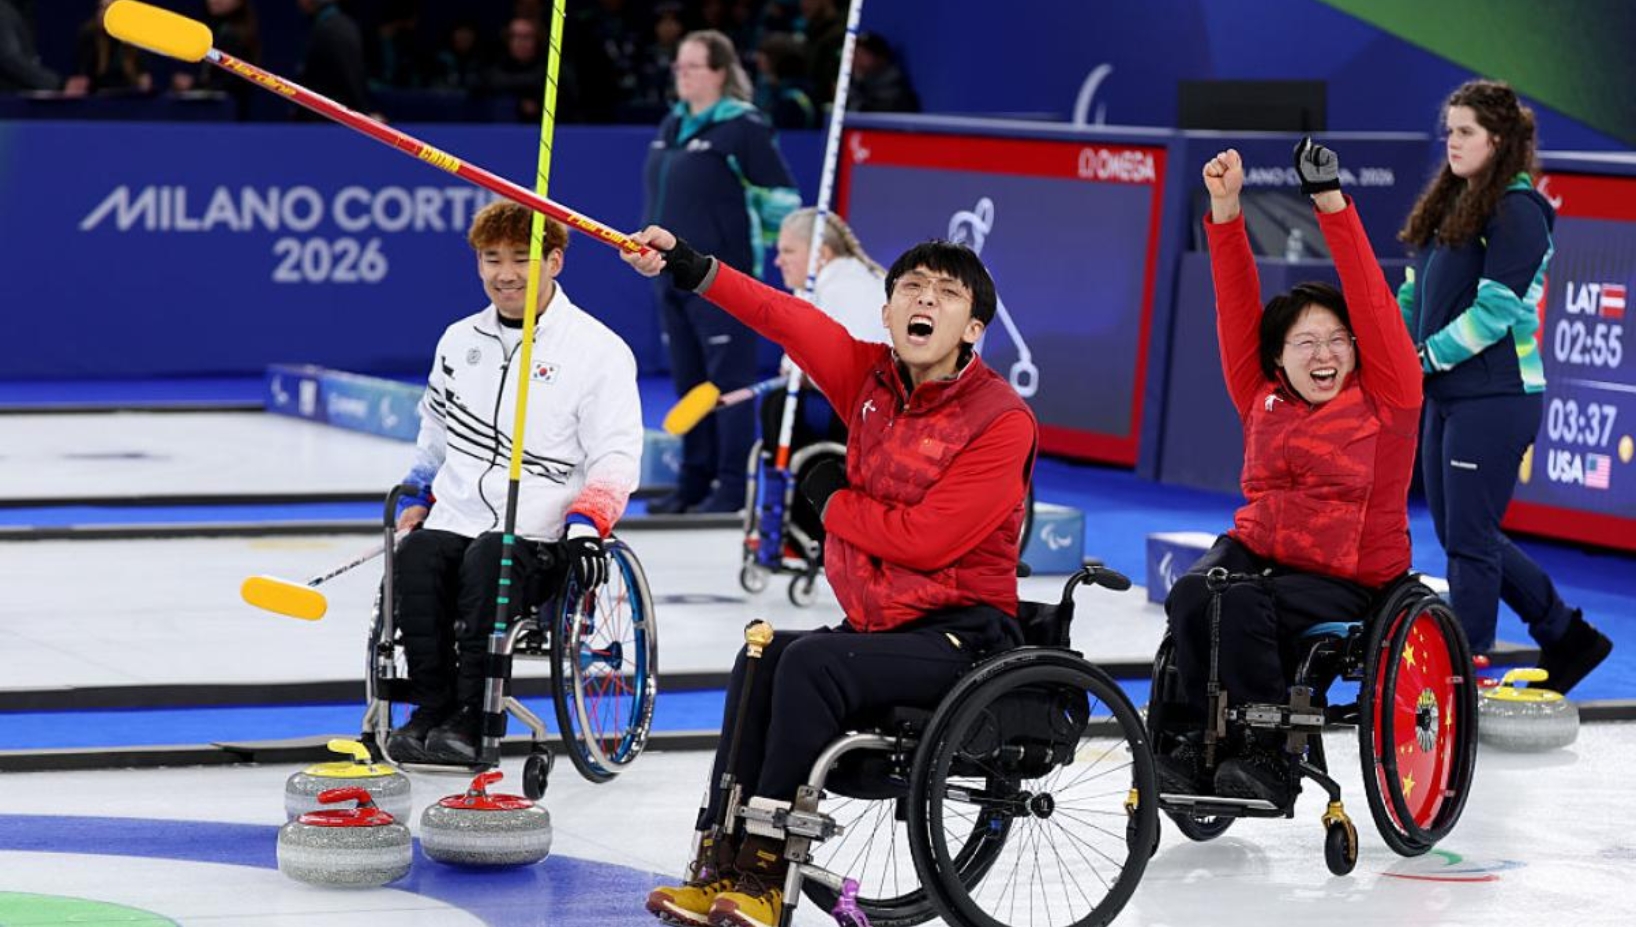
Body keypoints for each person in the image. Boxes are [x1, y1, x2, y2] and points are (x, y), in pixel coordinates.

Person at [624, 227, 1035, 927]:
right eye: (911, 287)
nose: (924, 299)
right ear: (886, 311)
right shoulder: (868, 377)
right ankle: (718, 858)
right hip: (878, 625)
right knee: (763, 654)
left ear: (973, 327)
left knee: (812, 661)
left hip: (962, 633)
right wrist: (690, 264)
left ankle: (764, 874)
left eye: (946, 291)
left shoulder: (1001, 418)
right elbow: (784, 316)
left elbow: (929, 540)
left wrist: (831, 500)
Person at [1158, 141, 1423, 805]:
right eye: (1306, 342)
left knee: (1241, 600)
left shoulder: (1389, 398)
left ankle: (1268, 758)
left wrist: (1330, 199)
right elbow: (1235, 304)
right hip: (1261, 550)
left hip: (1350, 574)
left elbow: (1369, 295)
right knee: (1195, 593)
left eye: (1337, 340)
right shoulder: (1260, 393)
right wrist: (1224, 208)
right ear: (1279, 357)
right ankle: (1194, 746)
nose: (1325, 353)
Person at [386, 200, 643, 766]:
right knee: (418, 556)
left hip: (540, 537)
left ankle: (476, 717)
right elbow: (435, 428)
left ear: (555, 261)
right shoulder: (457, 340)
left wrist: (590, 519)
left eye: (521, 258)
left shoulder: (597, 349)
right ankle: (431, 712)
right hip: (457, 518)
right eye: (491, 258)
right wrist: (417, 490)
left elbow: (617, 453)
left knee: (490, 558)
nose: (505, 273)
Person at [1398, 79, 1612, 694]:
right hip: (1451, 394)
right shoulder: (1459, 201)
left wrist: (1423, 359)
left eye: (1465, 131)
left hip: (1497, 399)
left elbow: (1493, 315)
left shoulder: (1518, 211)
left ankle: (1459, 675)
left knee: (1468, 539)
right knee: (1464, 534)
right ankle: (1568, 636)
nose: (1453, 141)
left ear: (1499, 139)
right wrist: (1389, 343)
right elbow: (1418, 292)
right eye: (1449, 130)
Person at [642, 29, 800, 515]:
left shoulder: (743, 128)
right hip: (671, 273)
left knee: (726, 385)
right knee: (691, 382)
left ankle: (731, 487)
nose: (681, 75)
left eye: (692, 67)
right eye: (678, 67)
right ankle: (694, 481)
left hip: (721, 278)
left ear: (720, 72)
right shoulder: (673, 124)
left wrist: (765, 255)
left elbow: (782, 202)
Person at [757, 209, 887, 552]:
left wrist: (799, 372)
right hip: (846, 403)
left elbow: (847, 368)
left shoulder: (849, 287)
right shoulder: (819, 286)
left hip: (871, 413)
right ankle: (787, 525)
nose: (778, 261)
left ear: (822, 253)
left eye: (788, 252)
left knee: (781, 407)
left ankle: (808, 529)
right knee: (780, 405)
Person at [170, 0, 260, 120]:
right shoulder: (207, 29)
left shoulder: (237, 35)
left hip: (230, 118)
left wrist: (194, 84)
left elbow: (234, 82)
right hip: (204, 115)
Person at [294, 0, 369, 120]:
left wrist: (363, 115)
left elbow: (352, 76)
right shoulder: (324, 24)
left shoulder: (336, 29)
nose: (298, 3)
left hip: (333, 121)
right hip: (320, 117)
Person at [64, 0, 151, 97]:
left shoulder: (132, 37)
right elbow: (81, 76)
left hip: (129, 100)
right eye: (101, 8)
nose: (102, 13)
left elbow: (144, 77)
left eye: (108, 8)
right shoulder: (89, 35)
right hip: (96, 101)